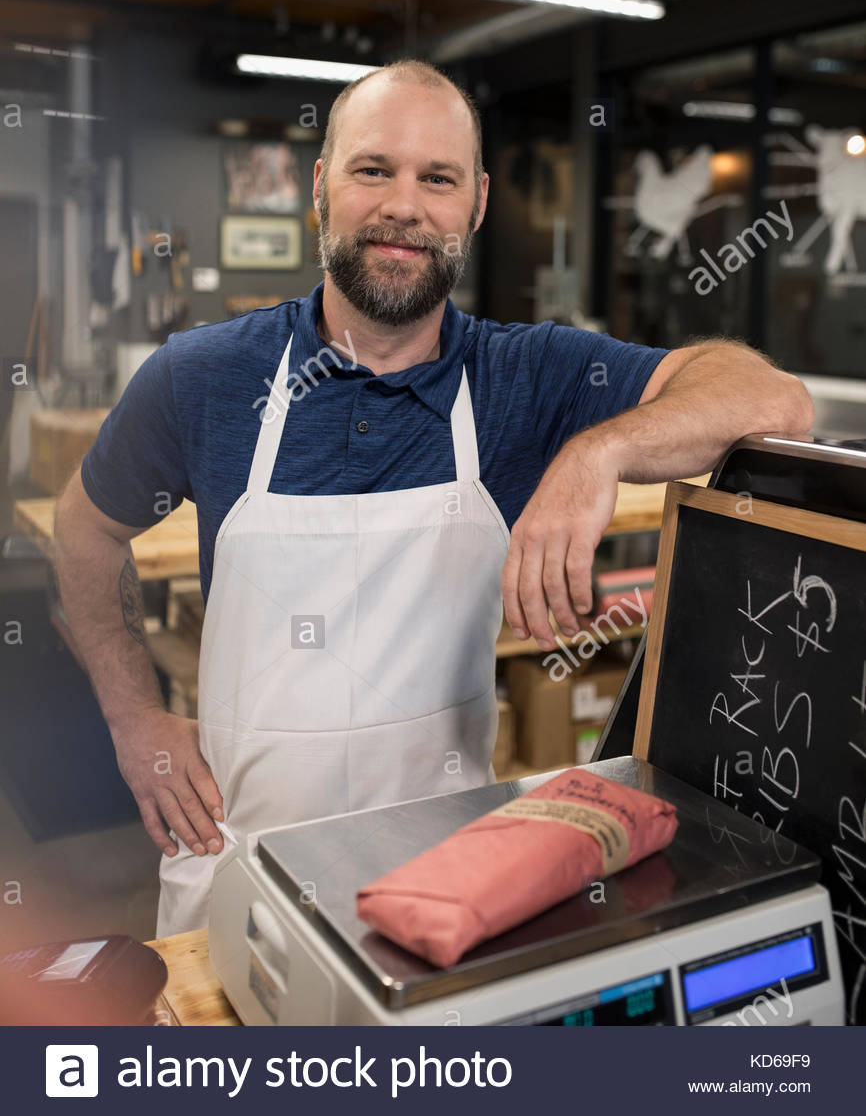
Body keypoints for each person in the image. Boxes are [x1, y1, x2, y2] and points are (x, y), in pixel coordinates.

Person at [53, 60, 813, 936]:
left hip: (441, 885)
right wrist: (135, 716)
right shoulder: (205, 376)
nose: (403, 206)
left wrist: (595, 452)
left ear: (478, 203)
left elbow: (770, 398)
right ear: (320, 187)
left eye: (437, 178)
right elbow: (83, 532)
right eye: (372, 169)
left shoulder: (523, 378)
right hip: (233, 866)